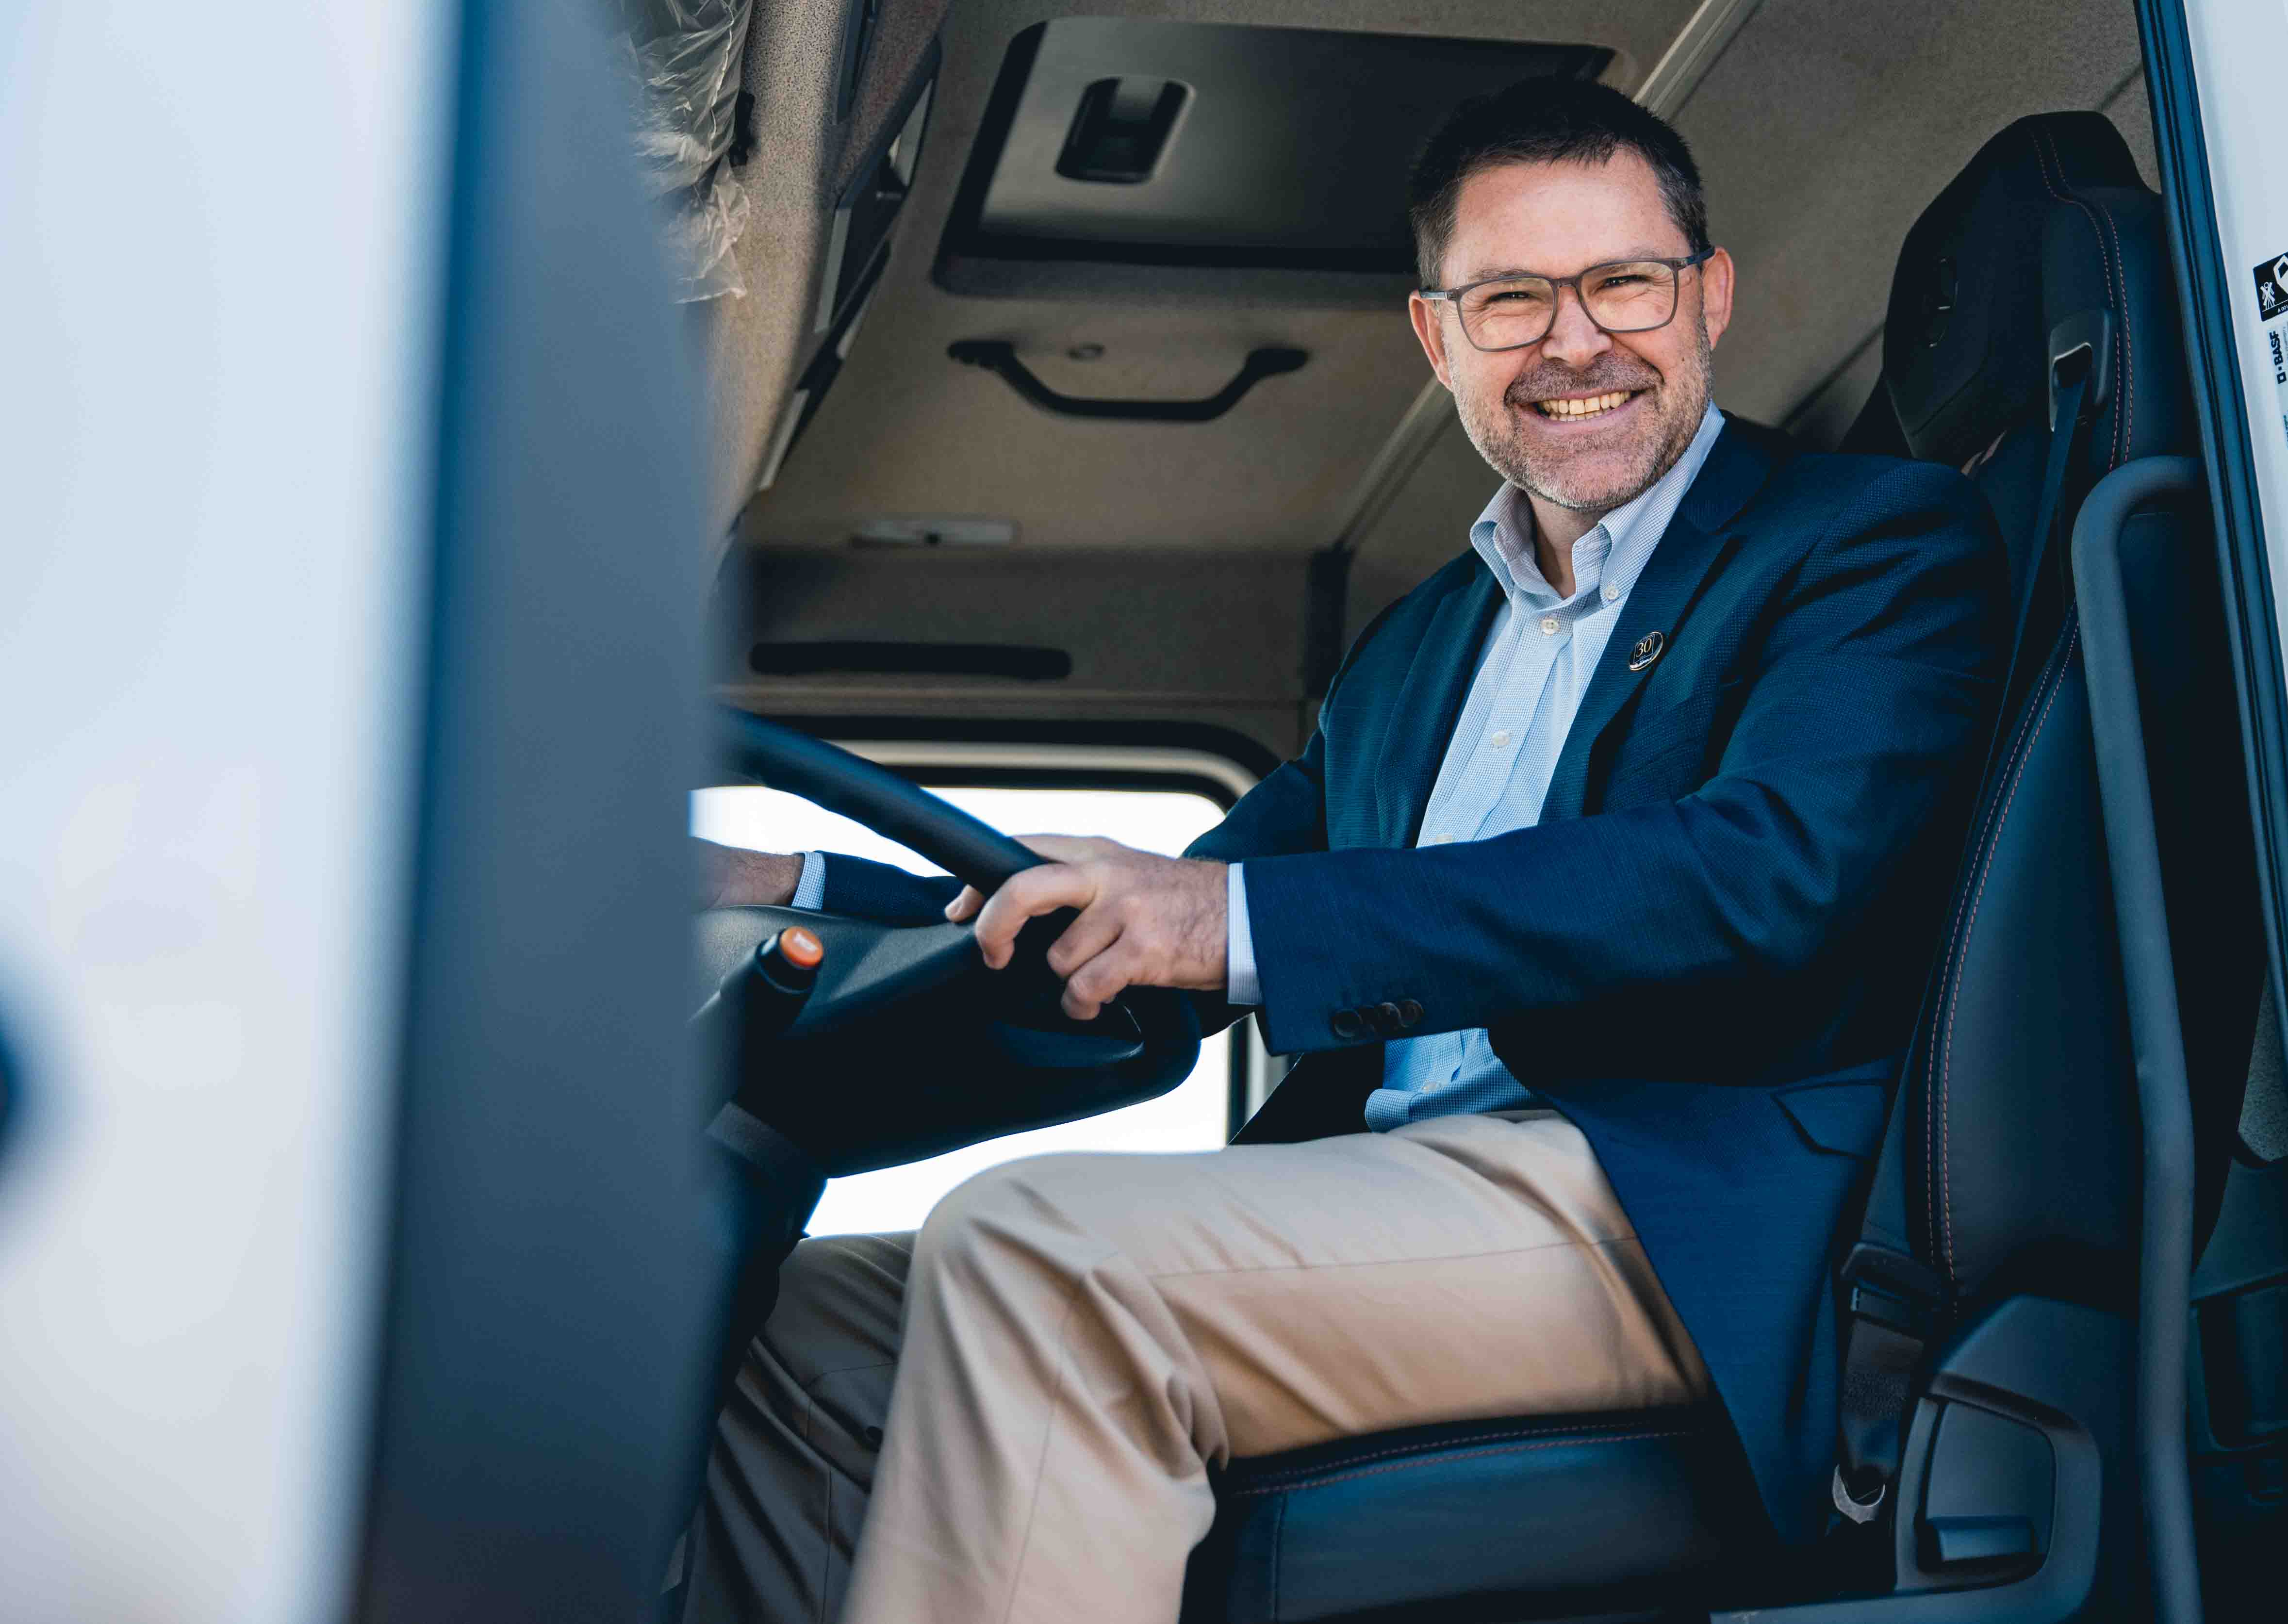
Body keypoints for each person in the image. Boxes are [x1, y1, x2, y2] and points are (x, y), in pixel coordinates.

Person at [681, 78, 2009, 1623]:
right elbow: (1170, 911)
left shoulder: (1867, 540)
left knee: (1038, 1246)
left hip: (1675, 1204)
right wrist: (791, 888)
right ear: (1437, 339)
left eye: (1624, 283)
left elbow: (1762, 875)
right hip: (1403, 1187)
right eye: (1511, 299)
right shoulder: (1417, 649)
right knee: (799, 1320)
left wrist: (1228, 917)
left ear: (1708, 295)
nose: (1576, 340)